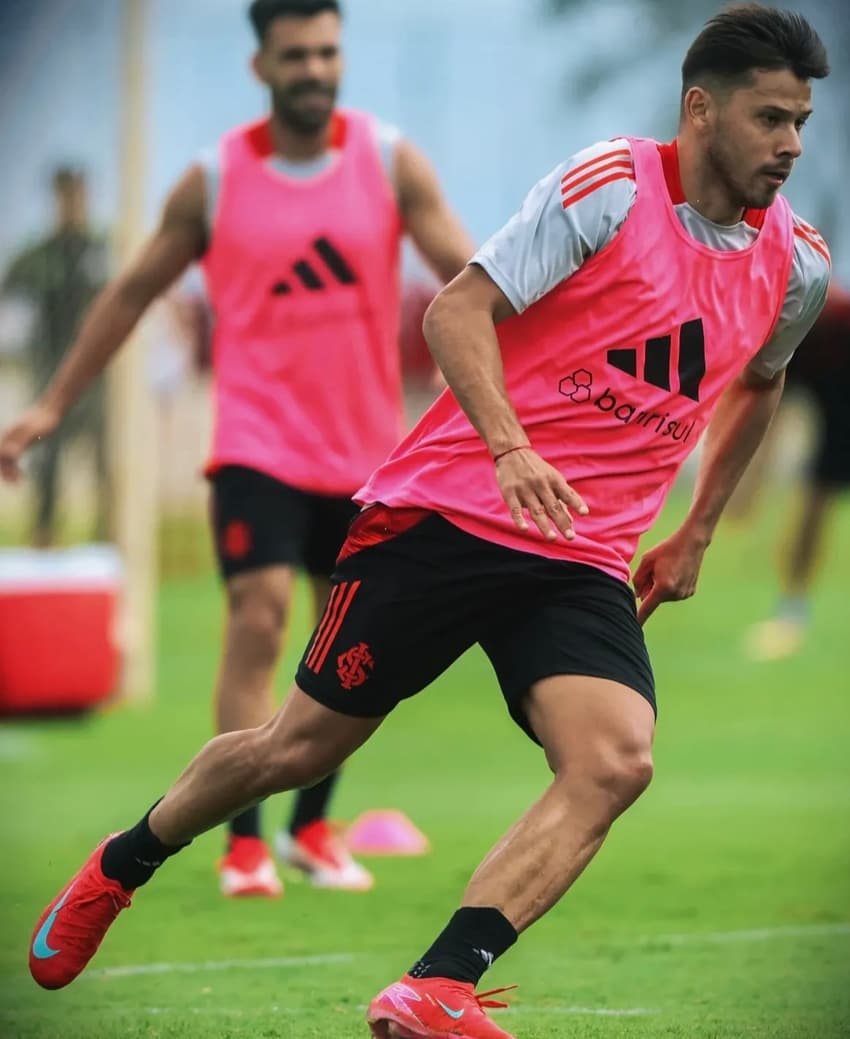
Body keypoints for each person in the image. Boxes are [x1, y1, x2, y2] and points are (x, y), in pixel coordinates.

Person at [16, 5, 833, 1037]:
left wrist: (699, 526)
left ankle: (435, 984)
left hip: (578, 552)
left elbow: (760, 382)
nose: (792, 144)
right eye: (771, 119)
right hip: (447, 512)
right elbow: (454, 308)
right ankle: (121, 863)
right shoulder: (612, 185)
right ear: (700, 109)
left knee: (615, 759)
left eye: (802, 120)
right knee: (296, 747)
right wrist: (510, 446)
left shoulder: (794, 264)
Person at [0, 0, 473, 899]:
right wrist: (51, 405)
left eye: (328, 52)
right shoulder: (213, 181)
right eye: (295, 55)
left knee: (352, 644)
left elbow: (472, 276)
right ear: (260, 66)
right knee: (258, 618)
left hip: (369, 456)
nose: (314, 69)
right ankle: (244, 842)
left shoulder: (387, 159)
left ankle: (313, 829)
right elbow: (132, 291)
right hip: (256, 445)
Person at [1, 166, 111, 547]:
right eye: (65, 197)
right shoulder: (39, 257)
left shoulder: (102, 252)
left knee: (106, 463)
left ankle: (108, 544)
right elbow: (10, 292)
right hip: (50, 375)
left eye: (77, 196)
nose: (72, 205)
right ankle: (43, 544)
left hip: (97, 381)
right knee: (48, 468)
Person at [744, 279, 850, 660]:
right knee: (817, 495)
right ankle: (793, 609)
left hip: (833, 339)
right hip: (816, 342)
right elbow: (769, 407)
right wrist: (749, 483)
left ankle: (792, 608)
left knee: (819, 496)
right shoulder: (798, 323)